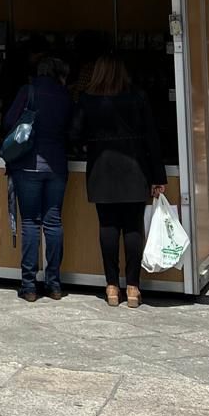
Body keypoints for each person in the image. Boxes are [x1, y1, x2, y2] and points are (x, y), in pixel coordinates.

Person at [71, 54, 166, 308]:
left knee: (108, 227)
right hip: (135, 168)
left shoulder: (87, 100)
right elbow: (152, 138)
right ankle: (133, 287)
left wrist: (87, 145)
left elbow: (74, 133)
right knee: (133, 228)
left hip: (101, 170)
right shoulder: (137, 97)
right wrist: (158, 176)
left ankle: (112, 285)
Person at [2, 56, 73, 302]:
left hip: (27, 164)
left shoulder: (28, 91)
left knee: (31, 223)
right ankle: (54, 284)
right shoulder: (64, 94)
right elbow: (72, 128)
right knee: (53, 223)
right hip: (56, 164)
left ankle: (29, 285)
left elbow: (9, 121)